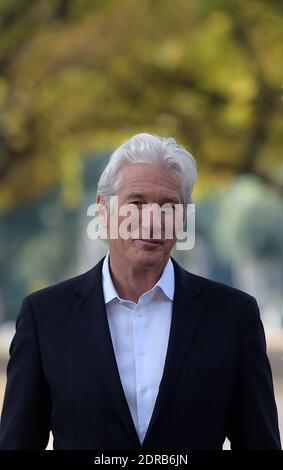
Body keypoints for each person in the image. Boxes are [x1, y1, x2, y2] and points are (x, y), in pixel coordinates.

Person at [0, 133, 281, 450]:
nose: (153, 220)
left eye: (168, 206)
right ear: (103, 210)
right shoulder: (45, 317)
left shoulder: (233, 317)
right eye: (136, 202)